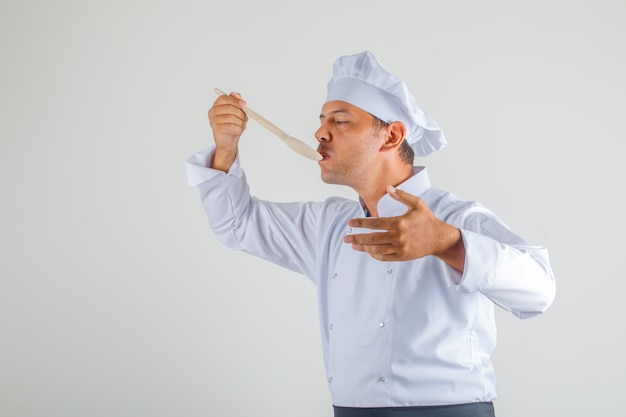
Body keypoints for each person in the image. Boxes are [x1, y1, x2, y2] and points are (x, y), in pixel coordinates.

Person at [186, 51, 555, 417]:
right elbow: (237, 225)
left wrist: (446, 242)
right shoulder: (329, 225)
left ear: (392, 136)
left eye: (341, 120)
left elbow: (540, 289)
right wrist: (226, 149)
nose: (319, 132)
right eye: (322, 119)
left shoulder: (456, 217)